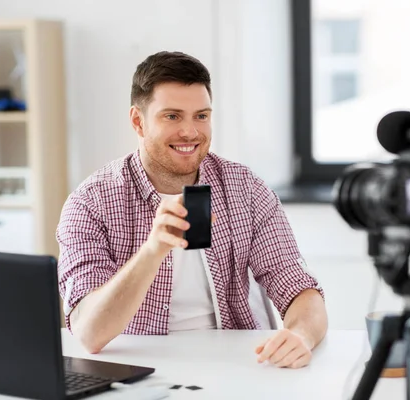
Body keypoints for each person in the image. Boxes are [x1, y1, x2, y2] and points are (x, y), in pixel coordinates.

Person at [56, 51, 328, 369]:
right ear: (138, 121)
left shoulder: (245, 187)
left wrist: (300, 336)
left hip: (240, 365)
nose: (190, 132)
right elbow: (89, 333)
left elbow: (298, 287)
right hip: (139, 366)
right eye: (172, 116)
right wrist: (153, 250)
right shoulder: (90, 203)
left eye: (201, 115)